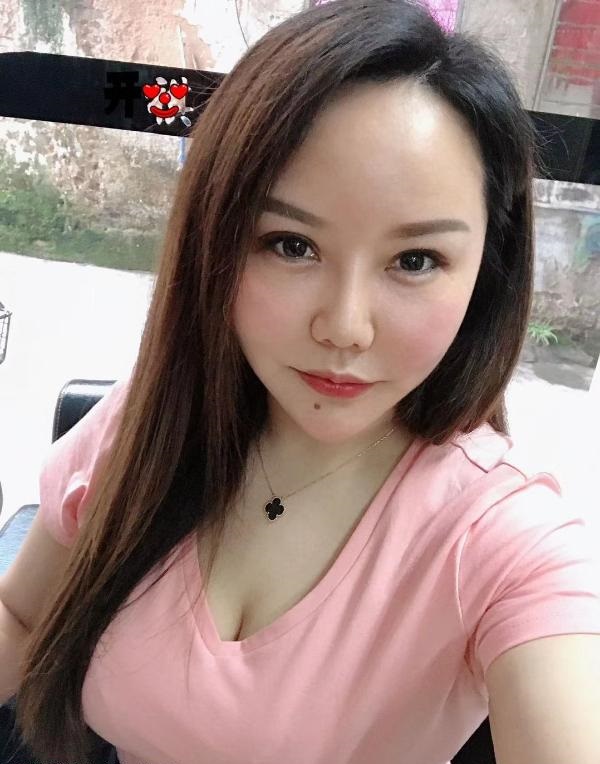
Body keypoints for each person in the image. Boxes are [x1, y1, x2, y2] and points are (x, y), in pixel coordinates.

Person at [2, 1, 600, 763]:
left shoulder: (505, 540)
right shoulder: (145, 429)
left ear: (488, 271)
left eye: (415, 261)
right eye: (291, 245)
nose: (346, 327)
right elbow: (22, 618)